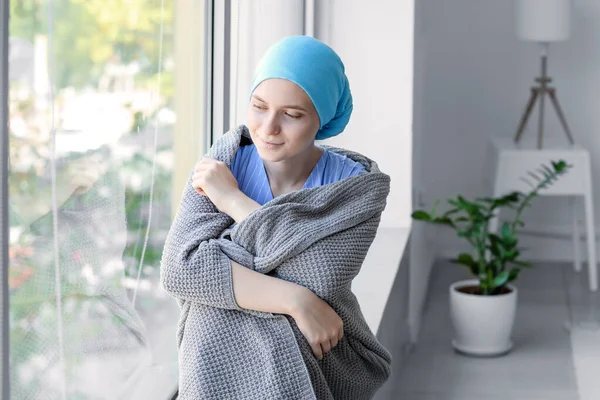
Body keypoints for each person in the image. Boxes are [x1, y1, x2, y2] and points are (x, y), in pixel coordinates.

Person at [161, 35, 392, 399]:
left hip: (324, 355)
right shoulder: (224, 161)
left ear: (322, 118)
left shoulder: (355, 188)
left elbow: (316, 280)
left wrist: (233, 203)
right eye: (259, 106)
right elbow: (181, 270)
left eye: (292, 114)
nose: (268, 127)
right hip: (222, 350)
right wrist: (296, 302)